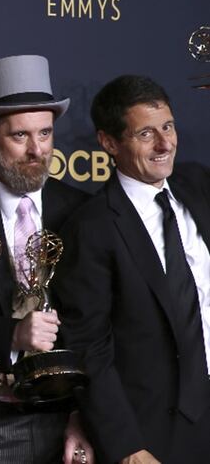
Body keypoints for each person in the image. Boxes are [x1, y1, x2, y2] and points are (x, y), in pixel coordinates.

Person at [52, 75, 210, 463]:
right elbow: (89, 347)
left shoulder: (198, 184)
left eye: (168, 127)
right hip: (152, 432)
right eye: (146, 133)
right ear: (109, 143)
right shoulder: (92, 227)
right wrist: (126, 445)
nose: (165, 143)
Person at [0, 55, 93, 464]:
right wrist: (12, 335)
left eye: (45, 134)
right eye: (20, 136)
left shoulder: (84, 212)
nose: (37, 150)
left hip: (73, 418)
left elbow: (103, 326)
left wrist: (85, 416)